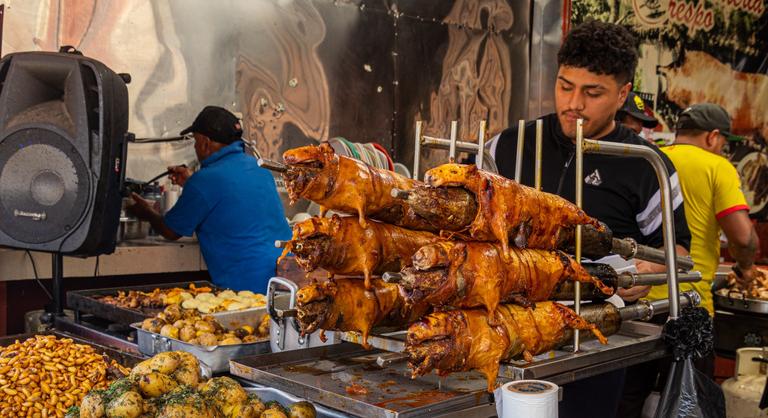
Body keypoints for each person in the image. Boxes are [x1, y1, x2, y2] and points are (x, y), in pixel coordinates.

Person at [487, 20, 691, 417]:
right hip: (510, 327)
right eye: (565, 86)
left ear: (622, 94)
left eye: (592, 93)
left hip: (597, 340)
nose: (574, 103)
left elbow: (679, 252)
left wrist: (646, 272)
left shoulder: (647, 166)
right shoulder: (509, 145)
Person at [617, 104, 759, 416]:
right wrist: (746, 267)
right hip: (688, 308)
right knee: (690, 403)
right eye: (723, 142)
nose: (723, 148)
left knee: (626, 401)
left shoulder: (651, 158)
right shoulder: (718, 166)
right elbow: (743, 237)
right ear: (713, 137)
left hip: (636, 305)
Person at [129, 106, 291, 292]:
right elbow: (231, 196)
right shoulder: (259, 168)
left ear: (205, 143)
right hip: (286, 277)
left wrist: (147, 213)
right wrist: (191, 183)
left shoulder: (204, 181)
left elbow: (171, 231)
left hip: (248, 288)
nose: (196, 148)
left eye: (195, 142)